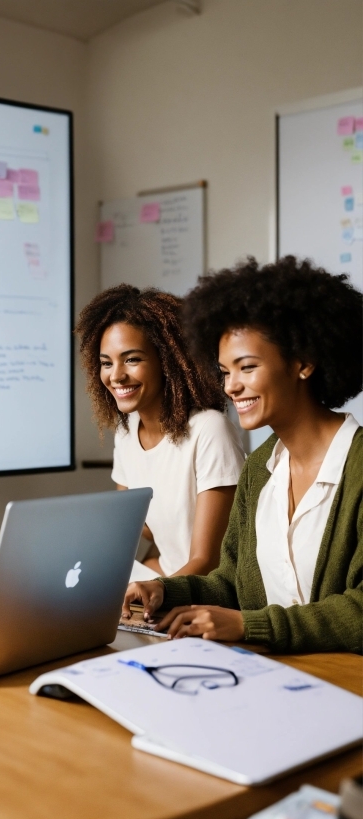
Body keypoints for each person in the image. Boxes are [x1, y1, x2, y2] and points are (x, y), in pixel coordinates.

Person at [126, 257, 362, 654]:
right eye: (224, 372)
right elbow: (232, 582)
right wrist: (163, 590)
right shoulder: (261, 467)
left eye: (246, 367)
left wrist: (250, 626)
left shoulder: (356, 464)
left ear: (303, 362)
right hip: (276, 677)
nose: (231, 387)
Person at [75, 285, 245, 582]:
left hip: (209, 597)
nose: (115, 376)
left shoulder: (209, 430)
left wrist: (153, 592)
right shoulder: (126, 433)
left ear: (167, 362)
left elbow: (208, 561)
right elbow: (143, 536)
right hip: (168, 586)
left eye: (132, 359)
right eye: (106, 362)